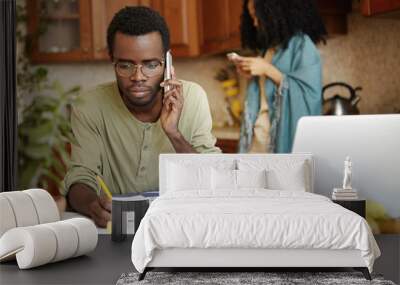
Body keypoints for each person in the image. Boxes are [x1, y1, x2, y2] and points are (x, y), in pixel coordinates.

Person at [62, 6, 220, 227]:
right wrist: (92, 205)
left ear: (167, 63)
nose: (138, 77)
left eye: (151, 65)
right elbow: (80, 176)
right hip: (114, 230)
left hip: (179, 226)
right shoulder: (90, 106)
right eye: (125, 65)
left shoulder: (193, 98)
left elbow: (213, 180)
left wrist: (174, 133)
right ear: (112, 61)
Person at [229, 0, 326, 153]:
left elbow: (310, 96)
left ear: (274, 13)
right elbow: (265, 94)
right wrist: (253, 74)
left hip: (278, 141)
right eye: (252, 17)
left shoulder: (302, 45)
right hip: (257, 139)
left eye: (257, 16)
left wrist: (267, 69)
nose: (254, 23)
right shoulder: (268, 49)